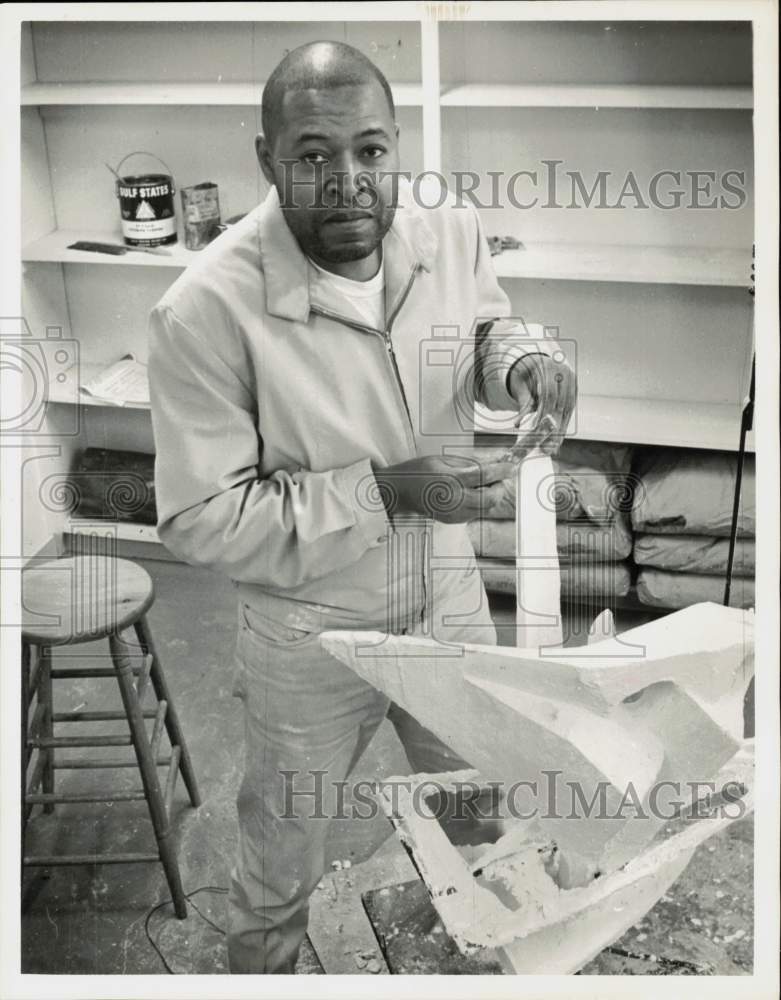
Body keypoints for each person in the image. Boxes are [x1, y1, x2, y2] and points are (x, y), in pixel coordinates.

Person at [148, 41, 576, 973]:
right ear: (266, 159)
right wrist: (389, 492)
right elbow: (201, 517)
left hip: (449, 601)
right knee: (278, 855)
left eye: (370, 152)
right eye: (312, 155)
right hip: (312, 634)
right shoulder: (203, 311)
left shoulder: (448, 231)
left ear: (396, 149)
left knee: (478, 807)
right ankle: (262, 969)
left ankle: (498, 950)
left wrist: (522, 362)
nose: (348, 183)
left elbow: (484, 323)